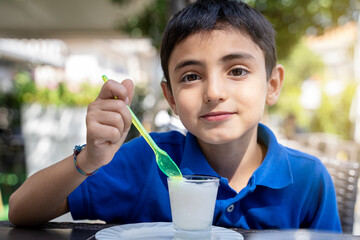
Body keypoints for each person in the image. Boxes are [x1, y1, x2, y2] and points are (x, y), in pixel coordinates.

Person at [8, 0, 342, 232]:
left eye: (237, 70)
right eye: (191, 76)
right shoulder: (146, 162)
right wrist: (91, 159)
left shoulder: (307, 180)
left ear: (271, 84)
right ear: (171, 97)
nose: (213, 92)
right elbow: (21, 211)